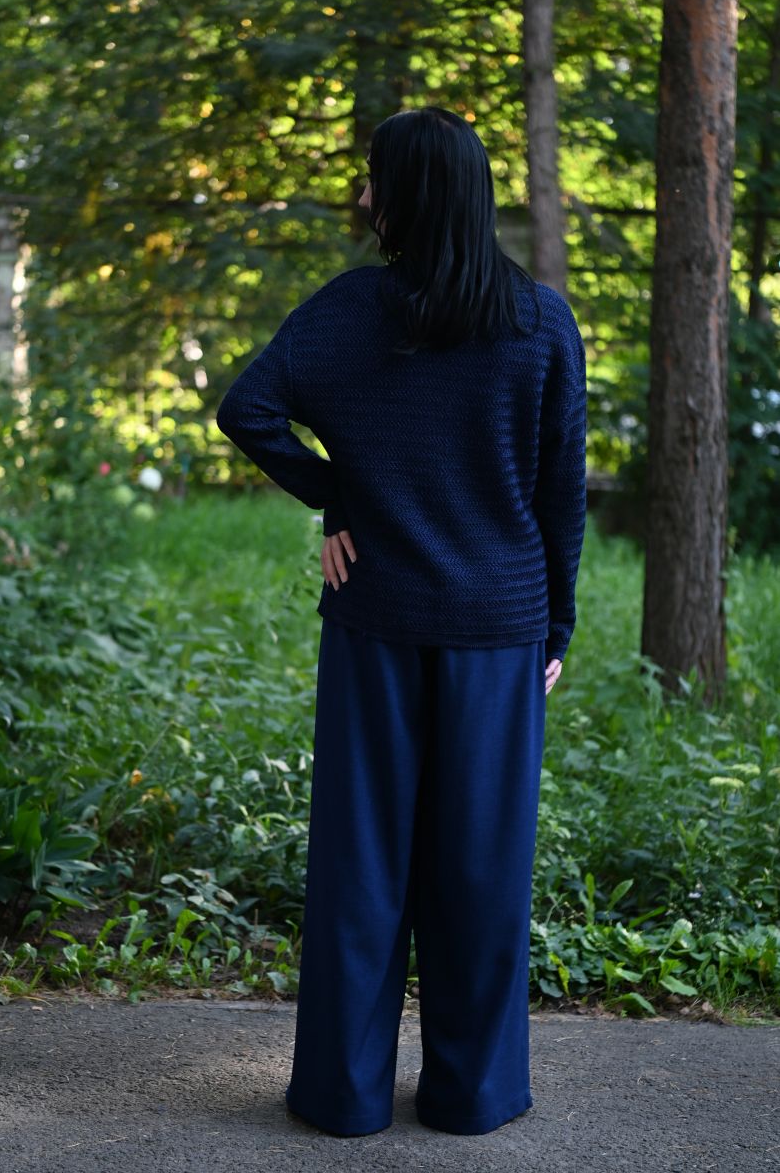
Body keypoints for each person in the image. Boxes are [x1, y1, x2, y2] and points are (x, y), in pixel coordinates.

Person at [216, 105, 587, 1138]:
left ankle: (343, 1096)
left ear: (407, 195)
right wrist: (556, 628)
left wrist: (336, 496)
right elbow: (561, 496)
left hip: (374, 621)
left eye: (373, 178)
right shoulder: (540, 322)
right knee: (481, 871)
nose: (363, 195)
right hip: (497, 634)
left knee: (361, 863)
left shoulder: (348, 312)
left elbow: (246, 409)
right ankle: (472, 1097)